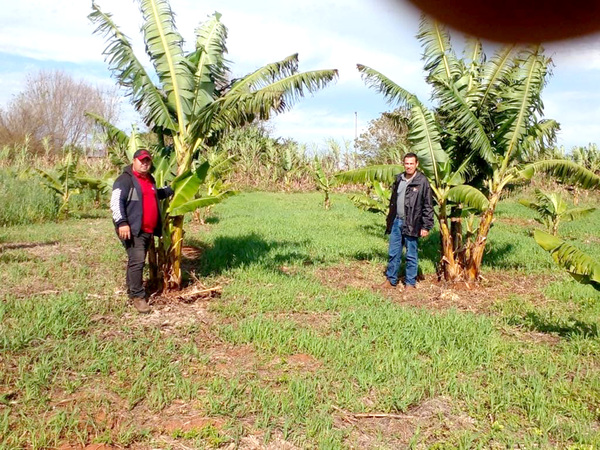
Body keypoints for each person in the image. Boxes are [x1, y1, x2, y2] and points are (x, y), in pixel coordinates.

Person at [110, 149, 174, 313]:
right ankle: (138, 297)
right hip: (132, 229)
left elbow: (152, 195)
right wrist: (122, 222)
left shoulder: (149, 179)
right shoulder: (125, 180)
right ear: (134, 161)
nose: (145, 163)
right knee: (138, 261)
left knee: (135, 261)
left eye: (147, 161)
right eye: (141, 160)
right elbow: (116, 202)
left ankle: (131, 289)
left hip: (147, 229)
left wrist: (167, 191)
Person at [378, 152, 434, 290]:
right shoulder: (399, 179)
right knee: (393, 252)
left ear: (416, 164)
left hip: (413, 222)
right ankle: (391, 280)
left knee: (411, 254)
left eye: (411, 163)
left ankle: (410, 283)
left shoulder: (422, 181)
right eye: (406, 163)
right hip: (397, 221)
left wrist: (426, 226)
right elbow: (393, 202)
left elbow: (428, 205)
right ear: (403, 164)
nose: (408, 166)